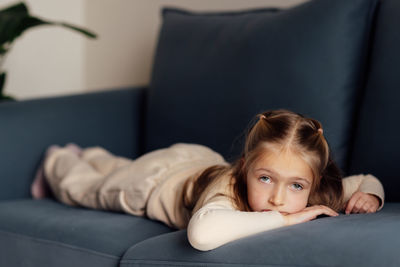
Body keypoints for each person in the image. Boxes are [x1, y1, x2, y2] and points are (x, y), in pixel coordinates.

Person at [31, 109, 385, 251]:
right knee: (84, 188)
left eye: (296, 186)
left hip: (194, 160)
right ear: (244, 168)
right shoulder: (227, 191)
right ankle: (60, 158)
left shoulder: (319, 188)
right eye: (264, 178)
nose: (278, 198)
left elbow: (366, 179)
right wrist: (289, 217)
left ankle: (92, 154)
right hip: (152, 183)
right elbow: (201, 234)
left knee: (120, 164)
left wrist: (370, 195)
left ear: (313, 182)